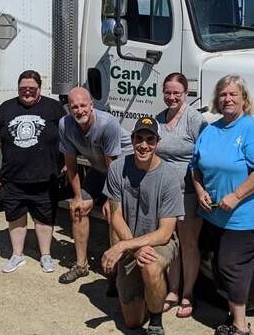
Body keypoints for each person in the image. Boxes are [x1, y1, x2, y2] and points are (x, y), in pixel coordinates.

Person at [191, 74, 254, 335]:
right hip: (215, 215)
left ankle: (240, 327)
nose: (227, 99)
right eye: (223, 95)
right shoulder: (211, 130)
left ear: (244, 99)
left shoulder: (252, 130)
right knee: (220, 266)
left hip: (245, 216)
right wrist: (199, 190)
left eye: (233, 94)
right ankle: (232, 317)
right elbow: (195, 166)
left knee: (231, 267)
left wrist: (236, 196)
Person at [102, 117, 184, 335]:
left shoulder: (169, 177)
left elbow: (166, 232)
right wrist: (133, 247)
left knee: (150, 265)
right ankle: (151, 293)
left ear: (157, 142)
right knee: (132, 322)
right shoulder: (118, 168)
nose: (144, 145)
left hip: (160, 241)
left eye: (150, 140)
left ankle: (156, 322)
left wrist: (121, 246)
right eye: (139, 138)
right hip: (132, 239)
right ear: (132, 139)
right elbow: (116, 215)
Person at [0, 70, 66, 274]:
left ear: (39, 88)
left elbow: (67, 136)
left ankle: (46, 256)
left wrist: (67, 161)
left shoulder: (54, 108)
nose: (27, 92)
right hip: (13, 177)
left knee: (44, 218)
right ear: (18, 88)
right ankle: (17, 255)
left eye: (32, 88)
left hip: (46, 176)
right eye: (23, 89)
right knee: (15, 216)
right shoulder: (6, 108)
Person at [58, 86, 134, 285]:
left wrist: (110, 199)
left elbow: (113, 165)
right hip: (99, 170)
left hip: (122, 170)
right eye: (74, 106)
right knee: (78, 208)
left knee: (114, 214)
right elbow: (70, 163)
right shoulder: (65, 125)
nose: (79, 110)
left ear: (92, 105)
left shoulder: (107, 124)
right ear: (69, 108)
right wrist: (77, 196)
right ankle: (81, 265)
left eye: (83, 105)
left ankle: (114, 274)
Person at [154, 72, 207, 318]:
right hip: (164, 194)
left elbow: (205, 156)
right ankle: (172, 291)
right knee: (169, 242)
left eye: (177, 93)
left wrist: (202, 189)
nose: (171, 97)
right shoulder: (158, 120)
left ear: (185, 94)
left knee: (188, 244)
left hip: (187, 192)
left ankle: (188, 294)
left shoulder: (194, 120)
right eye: (168, 92)